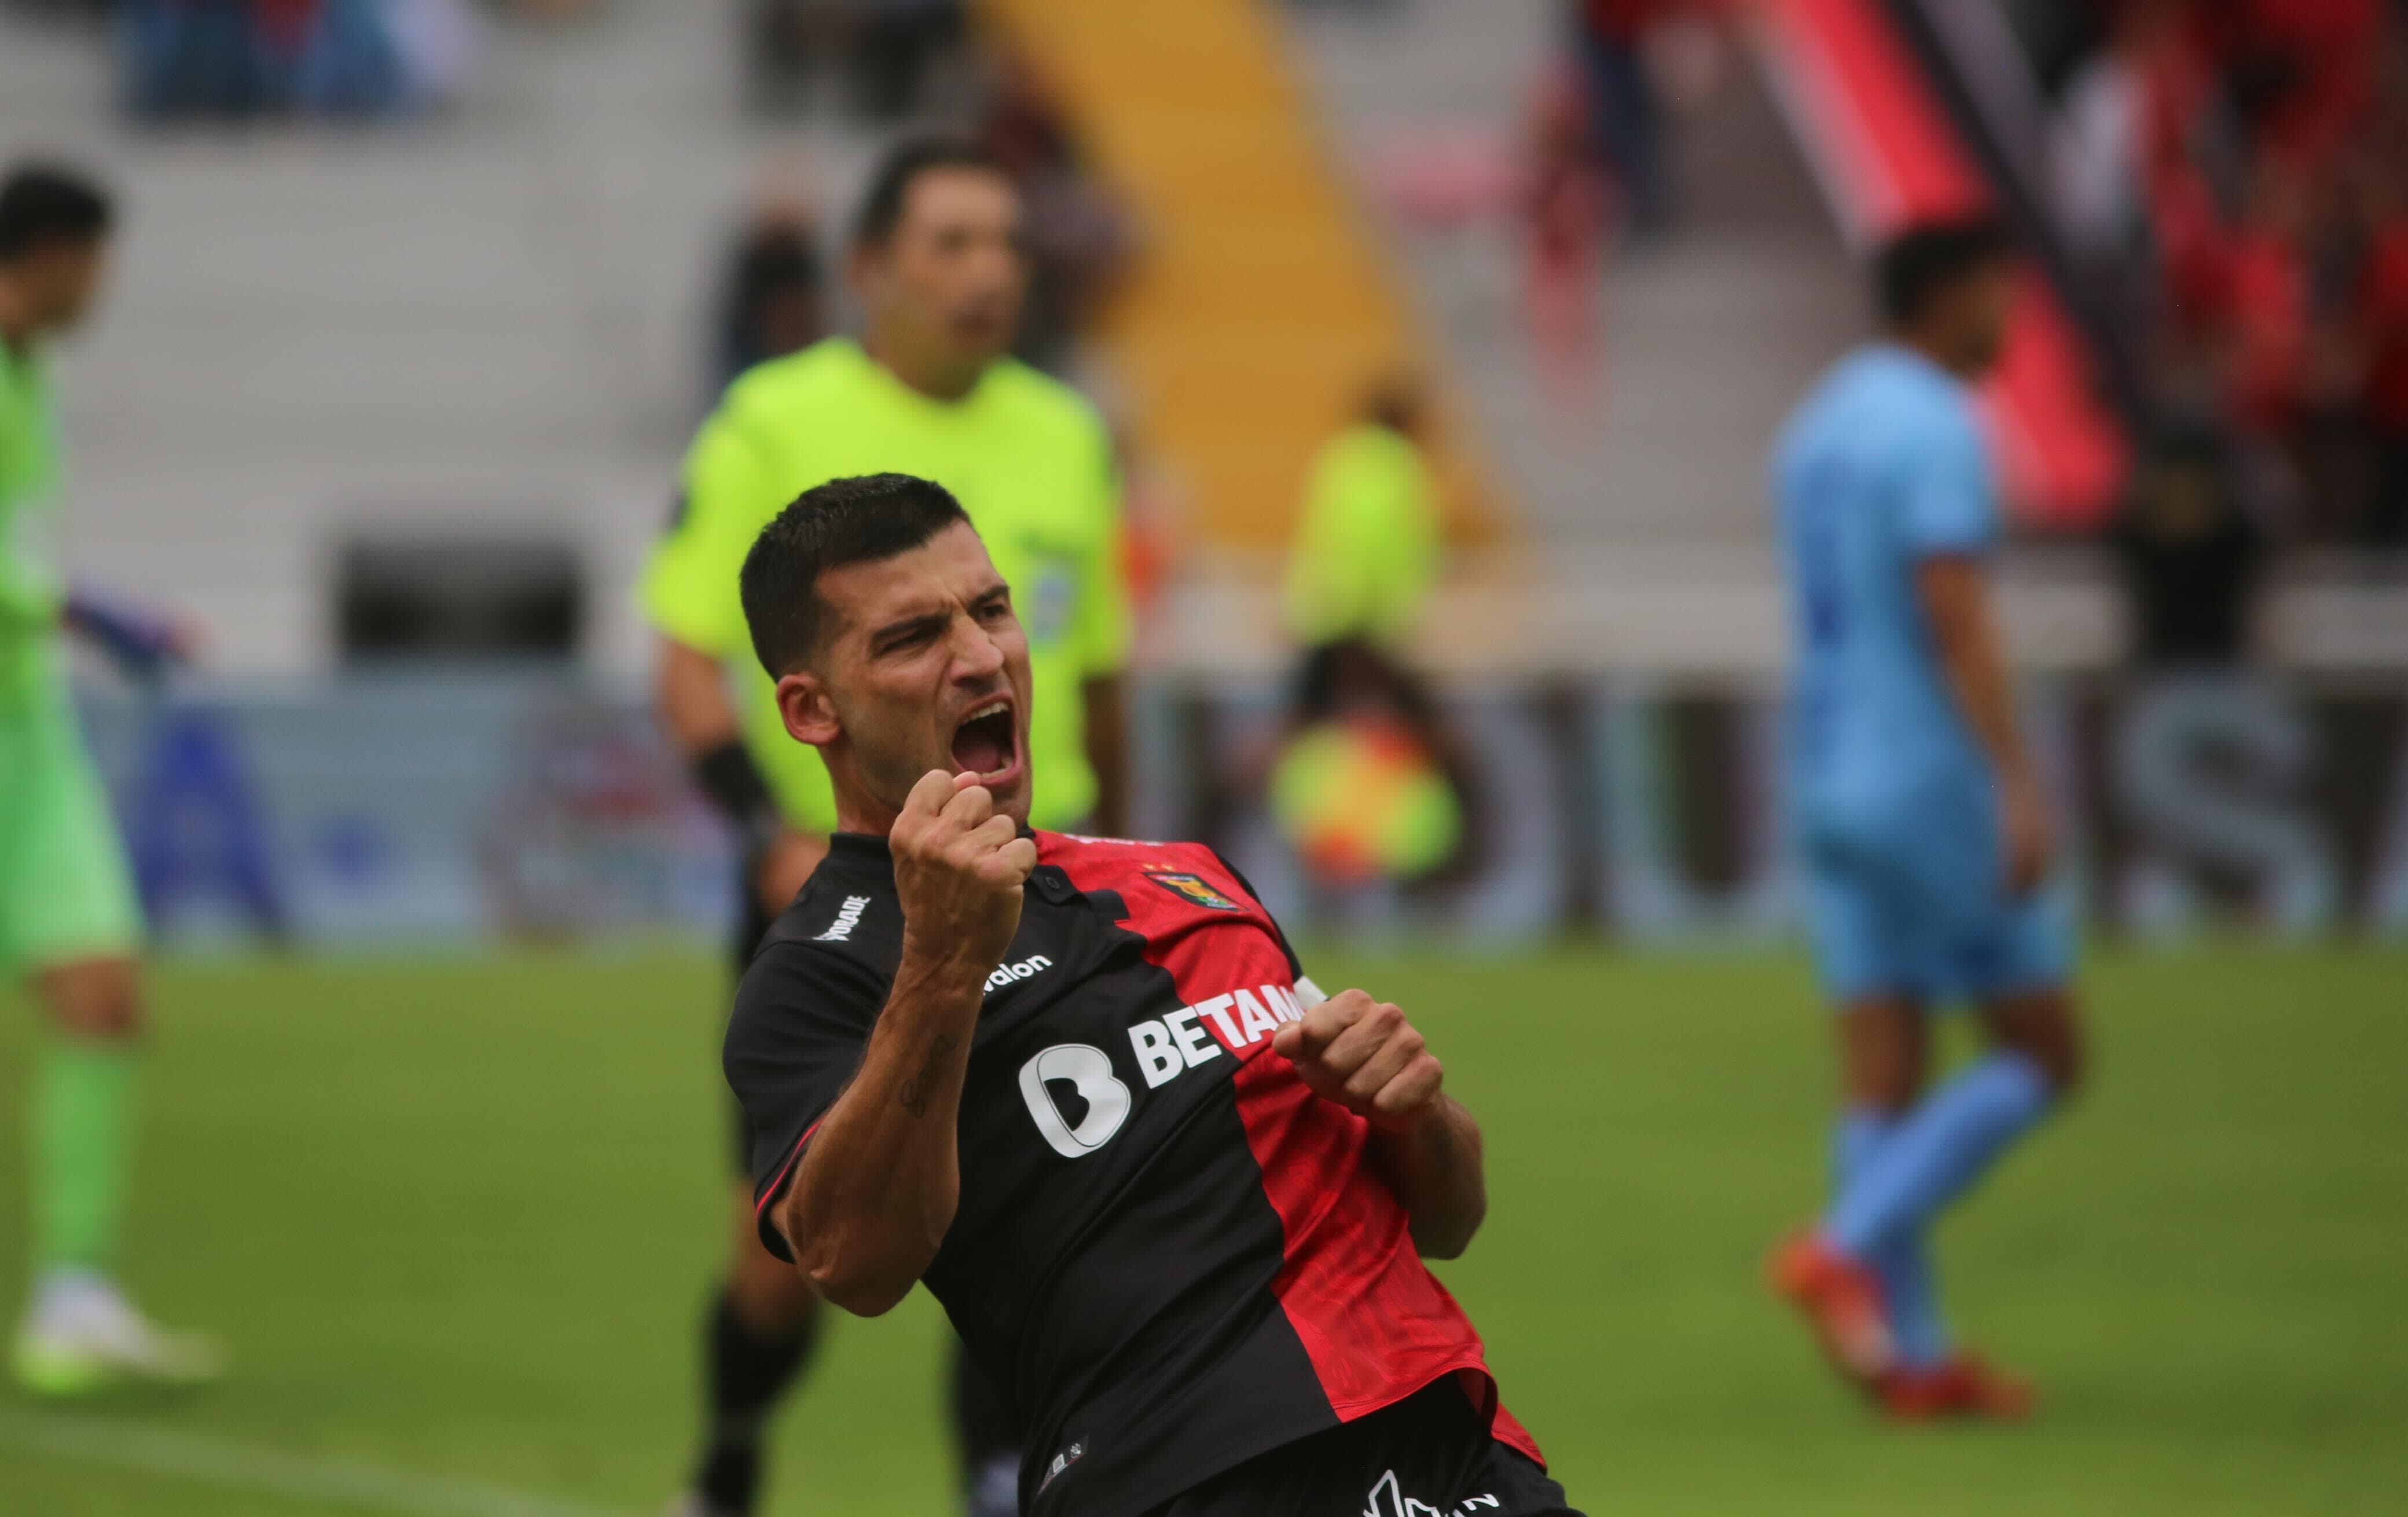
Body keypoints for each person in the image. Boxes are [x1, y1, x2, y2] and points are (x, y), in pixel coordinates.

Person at [722, 471, 1580, 1517]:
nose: (982, 656)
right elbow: (852, 1263)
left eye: (992, 610)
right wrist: (944, 970)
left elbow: (1448, 1217)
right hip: (1187, 1479)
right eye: (912, 638)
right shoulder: (818, 970)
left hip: (1458, 1449)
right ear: (814, 709)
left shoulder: (1186, 876)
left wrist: (1417, 1110)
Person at [639, 138, 1130, 1517]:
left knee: (1048, 1202)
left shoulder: (1069, 432)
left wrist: (1133, 853)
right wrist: (764, 833)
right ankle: (729, 1457)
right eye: (954, 244)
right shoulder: (771, 421)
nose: (991, 274)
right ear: (871, 269)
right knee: (792, 1241)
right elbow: (680, 660)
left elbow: (1100, 669)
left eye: (1009, 245)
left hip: (1044, 871)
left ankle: (1000, 1480)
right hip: (840, 888)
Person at [1764, 218, 2087, 1420]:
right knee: (2047, 1051)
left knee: (1881, 1079)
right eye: (2003, 287)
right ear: (1952, 294)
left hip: (1827, 770)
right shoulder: (1936, 423)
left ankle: (1913, 1356)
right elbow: (1949, 603)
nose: (2011, 313)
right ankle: (1841, 1241)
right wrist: (2015, 777)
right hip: (1922, 774)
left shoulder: (1818, 426)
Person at [2, 162, 221, 1396]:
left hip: (28, 732)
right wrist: (92, 609)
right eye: (96, 260)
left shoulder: (38, 374)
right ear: (56, 254)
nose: (103, 287)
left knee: (100, 993)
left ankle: (71, 1294)